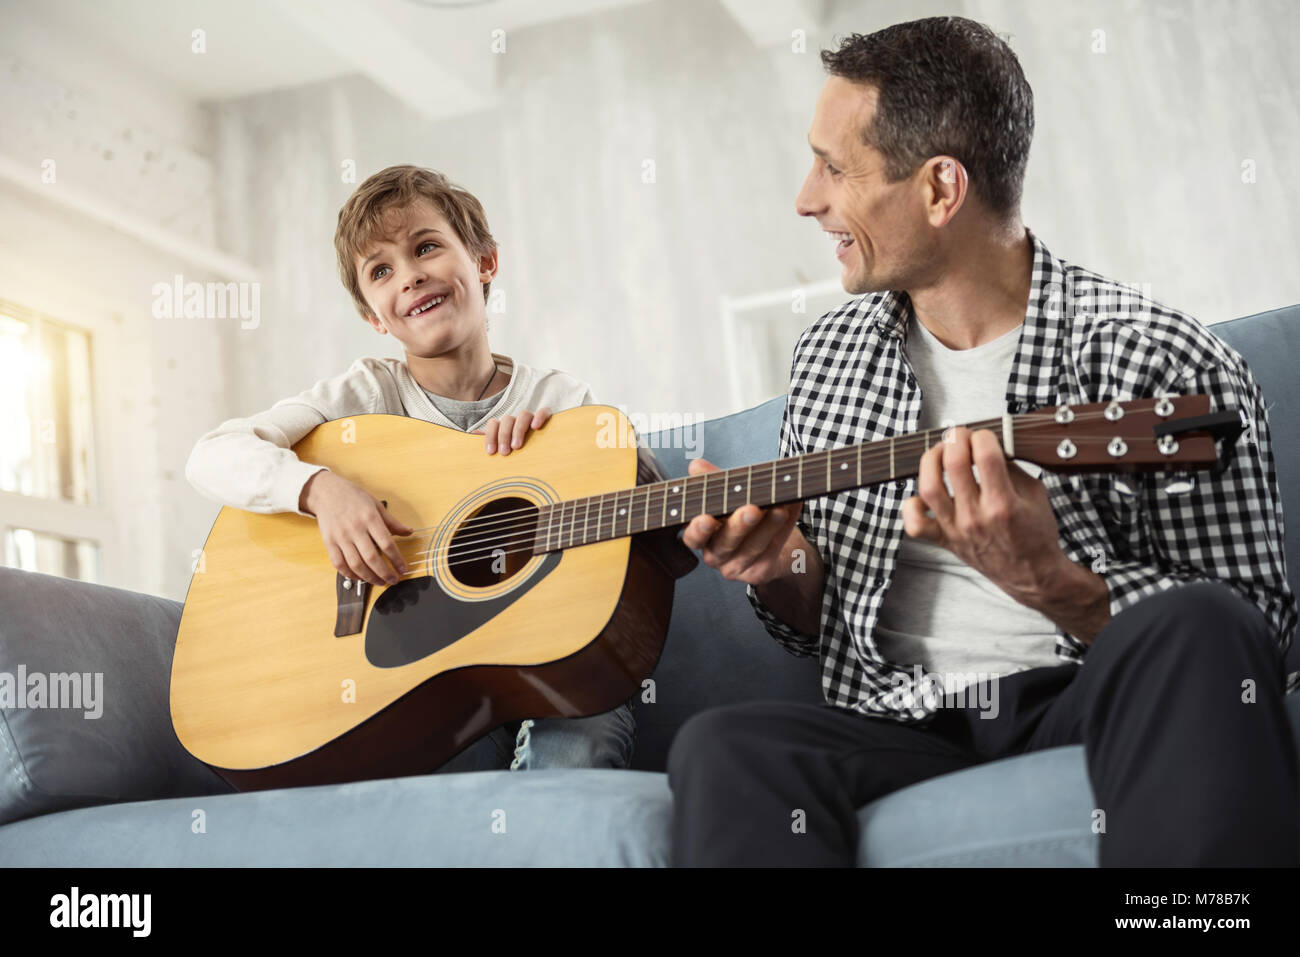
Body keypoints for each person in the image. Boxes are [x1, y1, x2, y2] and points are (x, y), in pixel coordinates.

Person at [670, 17, 1298, 866]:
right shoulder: (829, 354)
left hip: (1087, 693)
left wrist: (1053, 581)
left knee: (1197, 624)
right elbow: (816, 620)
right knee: (723, 746)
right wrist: (778, 564)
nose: (806, 198)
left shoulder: (1158, 356)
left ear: (939, 189)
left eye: (834, 166)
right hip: (895, 720)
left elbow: (1251, 639)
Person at [185, 164, 635, 773]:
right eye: (381, 270)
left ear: (484, 261)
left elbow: (620, 534)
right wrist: (320, 490)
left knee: (592, 723)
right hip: (425, 673)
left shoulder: (560, 404)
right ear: (374, 316)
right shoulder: (367, 393)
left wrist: (562, 466)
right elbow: (212, 454)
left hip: (542, 652)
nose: (411, 274)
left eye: (426, 247)